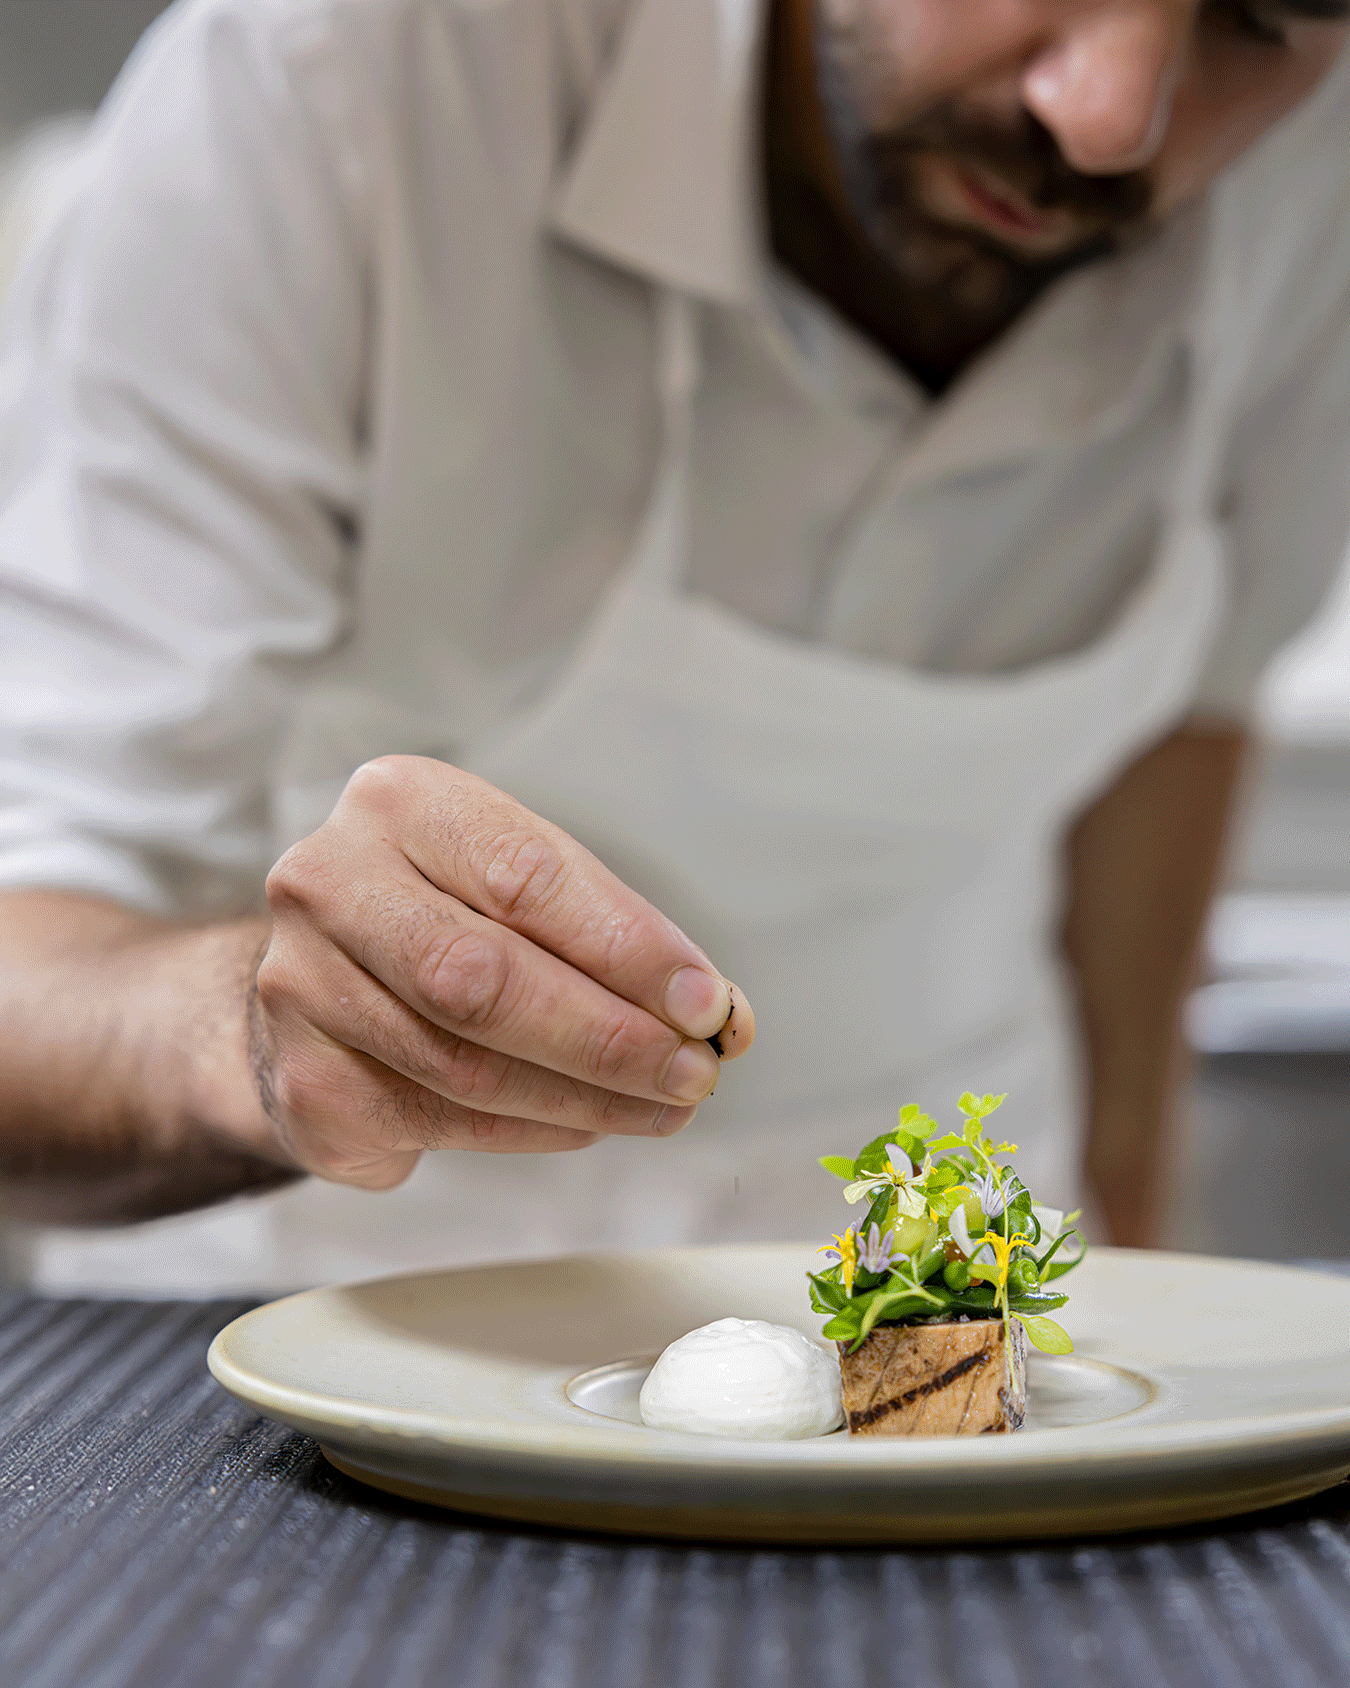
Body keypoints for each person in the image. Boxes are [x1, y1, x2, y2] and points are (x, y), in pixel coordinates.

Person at [1, 0, 1348, 1293]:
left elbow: (1184, 721)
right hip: (323, 1316)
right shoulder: (343, 82)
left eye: (1263, 11)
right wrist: (259, 1030)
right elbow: (27, 960)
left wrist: (1140, 1261)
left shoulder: (1310, 186)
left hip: (953, 1313)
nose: (1106, 117)